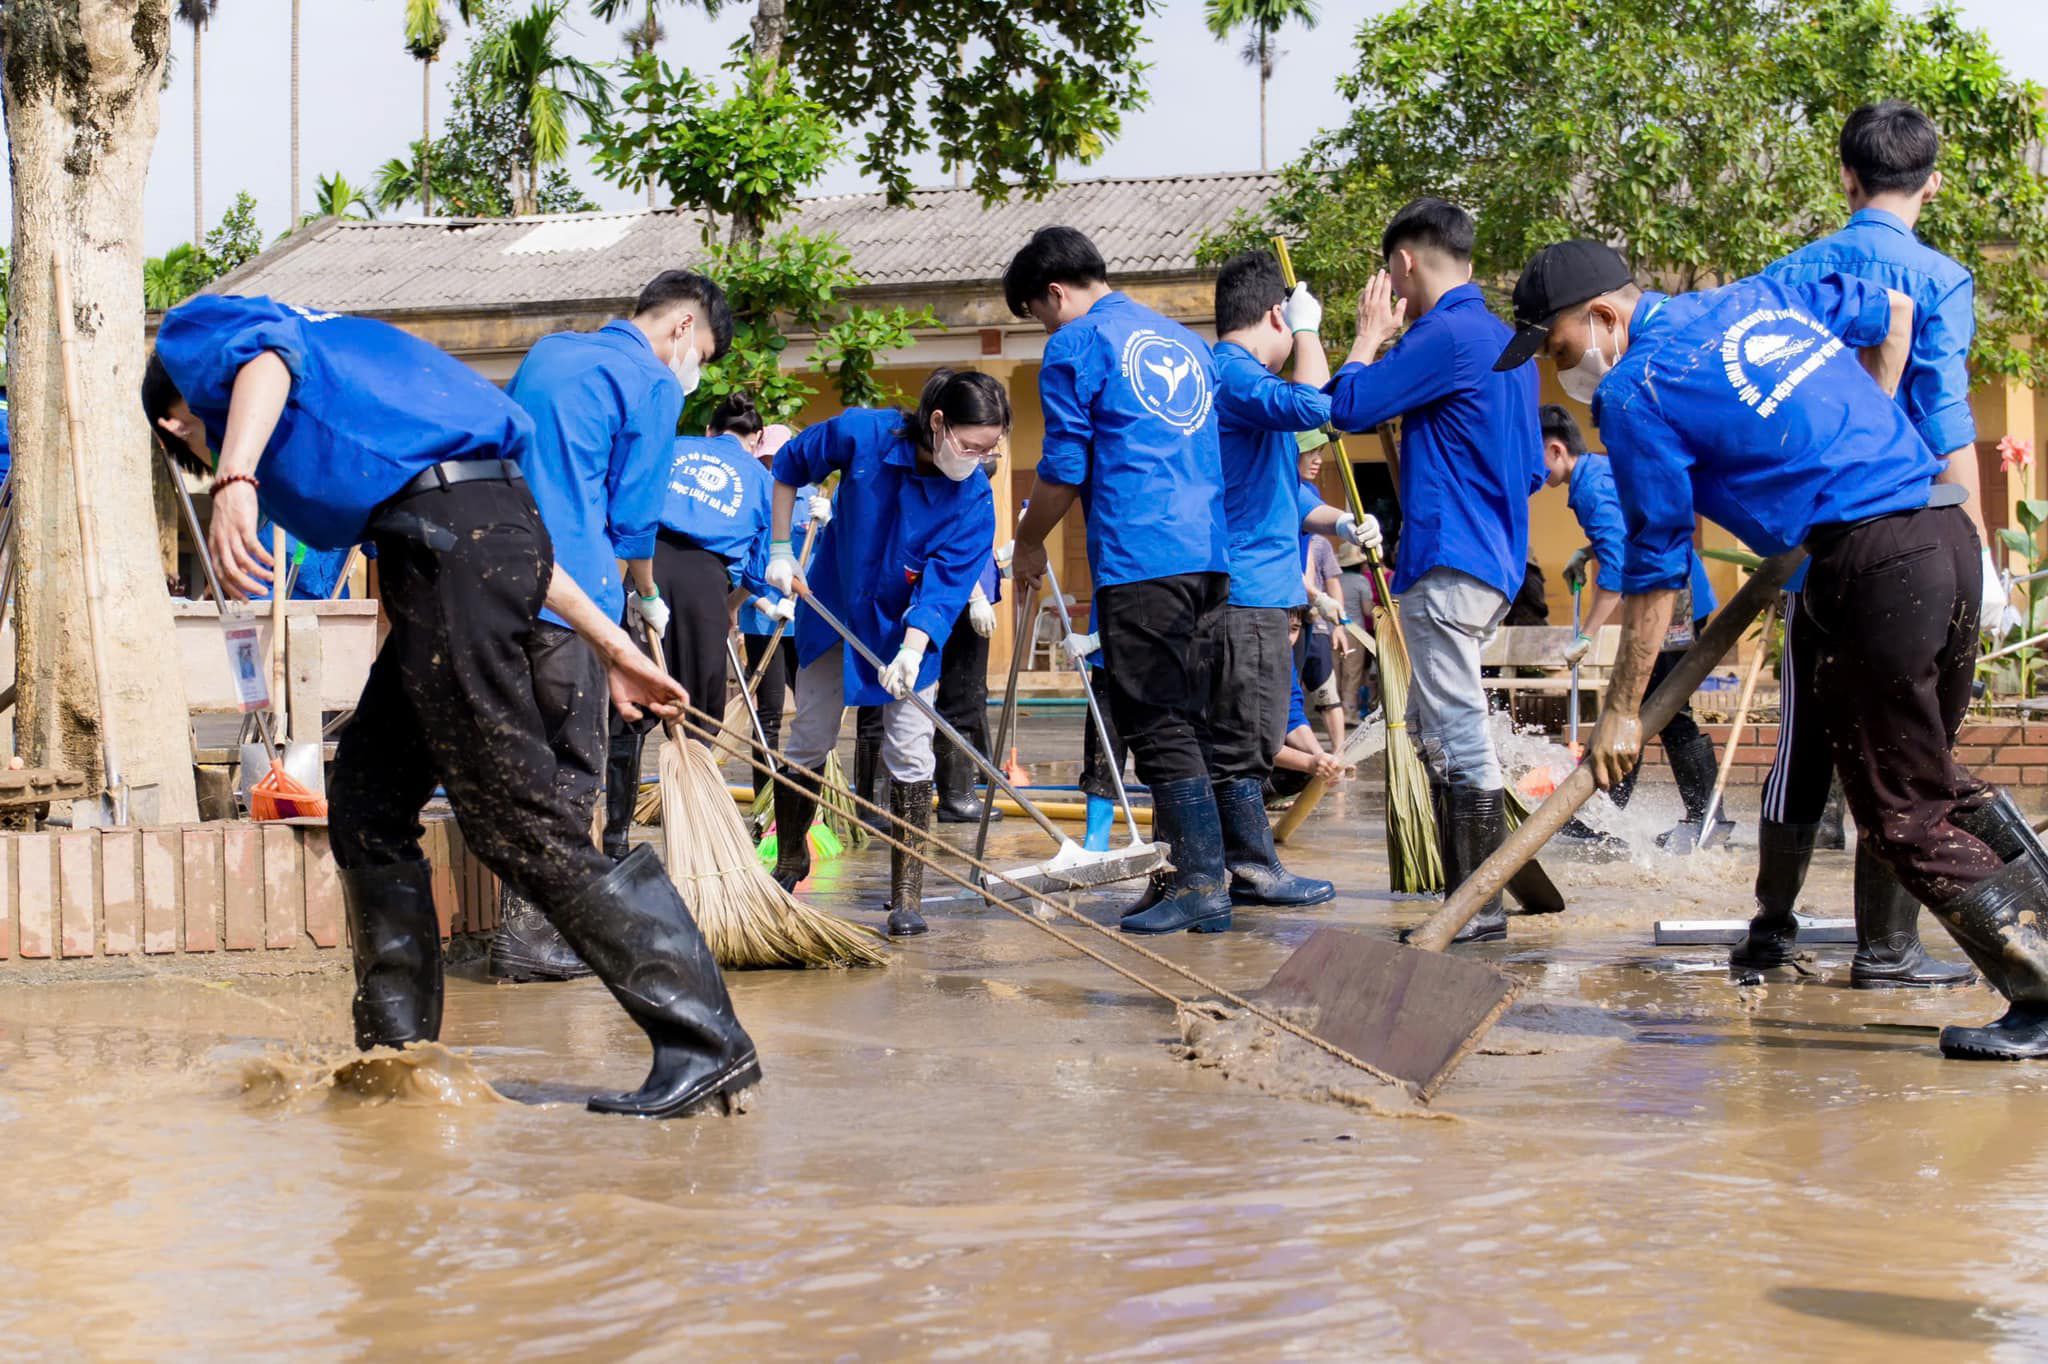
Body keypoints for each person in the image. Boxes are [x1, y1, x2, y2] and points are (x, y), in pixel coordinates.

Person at [145, 294, 758, 1118]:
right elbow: (498, 528)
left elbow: (263, 357)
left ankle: (706, 1042)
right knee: (366, 798)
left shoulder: (201, 343)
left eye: (191, 431)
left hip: (452, 548)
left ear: (180, 412)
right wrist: (615, 648)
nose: (203, 439)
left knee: (514, 818)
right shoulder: (370, 385)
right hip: (472, 541)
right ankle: (397, 1061)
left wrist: (237, 477)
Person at [1495, 239, 2041, 1058]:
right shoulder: (1751, 297)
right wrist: (1856, 448)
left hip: (1878, 563)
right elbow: (1894, 314)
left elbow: (1654, 565)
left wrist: (1620, 714)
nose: (1556, 367)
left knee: (1901, 813)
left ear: (1604, 316)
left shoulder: (1638, 391)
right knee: (1931, 778)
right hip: (1943, 531)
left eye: (1558, 346)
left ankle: (2041, 992)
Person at [1731, 101, 1988, 988]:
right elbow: (1950, 427)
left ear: (1845, 176)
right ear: (1934, 183)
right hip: (1925, 535)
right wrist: (1979, 548)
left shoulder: (1793, 274)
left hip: (1829, 538)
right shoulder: (1944, 278)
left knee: (1802, 735)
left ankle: (1771, 931)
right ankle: (1889, 949)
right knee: (1918, 745)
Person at [1325, 198, 1551, 945]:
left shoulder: (1443, 333)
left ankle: (1474, 908)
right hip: (1493, 561)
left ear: (1405, 264)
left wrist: (1366, 338)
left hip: (1448, 561)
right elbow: (1527, 472)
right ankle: (1473, 891)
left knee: (1455, 731)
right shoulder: (1504, 342)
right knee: (1432, 724)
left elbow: (1346, 406)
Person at [496, 270, 730, 981]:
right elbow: (633, 524)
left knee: (517, 757)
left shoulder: (549, 352)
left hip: (497, 576)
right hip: (577, 595)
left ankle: (519, 927)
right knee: (574, 765)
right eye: (705, 355)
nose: (694, 371)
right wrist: (644, 600)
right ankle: (536, 935)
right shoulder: (652, 383)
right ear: (684, 328)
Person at [1002, 225, 1235, 937]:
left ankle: (1201, 883)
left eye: (1039, 314)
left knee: (1153, 718)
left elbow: (1065, 468)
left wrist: (1027, 540)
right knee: (1183, 714)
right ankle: (1179, 874)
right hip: (1206, 553)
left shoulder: (1076, 343)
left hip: (1143, 553)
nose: (1045, 327)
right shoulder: (1188, 342)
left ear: (1054, 291)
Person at [765, 370, 1006, 936]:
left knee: (910, 750)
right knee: (811, 736)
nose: (977, 458)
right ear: (939, 424)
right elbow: (787, 467)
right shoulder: (864, 434)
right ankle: (790, 859)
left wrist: (914, 650)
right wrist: (780, 547)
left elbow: (946, 583)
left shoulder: (973, 497)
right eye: (971, 445)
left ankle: (906, 896)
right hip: (834, 611)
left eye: (990, 449)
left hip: (907, 632)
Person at [1209, 248, 1380, 907]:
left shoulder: (1253, 394)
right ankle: (1252, 868)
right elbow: (1314, 404)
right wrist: (1313, 331)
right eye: (1295, 324)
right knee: (1247, 742)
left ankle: (1234, 866)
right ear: (1277, 315)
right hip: (1245, 591)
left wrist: (1341, 524)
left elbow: (1290, 496)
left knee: (1248, 737)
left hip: (1267, 589)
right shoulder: (1233, 374)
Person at [596, 393, 782, 858]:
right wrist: (729, 605)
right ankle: (696, 835)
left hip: (646, 568)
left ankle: (616, 836)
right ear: (757, 439)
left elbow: (627, 505)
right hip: (706, 583)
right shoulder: (762, 477)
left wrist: (641, 587)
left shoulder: (673, 447)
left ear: (709, 432)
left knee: (629, 705)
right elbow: (759, 570)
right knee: (699, 715)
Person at [1542, 403, 1730, 847]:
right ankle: (1612, 809)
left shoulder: (1590, 487)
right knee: (1640, 709)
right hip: (1677, 591)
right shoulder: (1598, 472)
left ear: (1554, 450)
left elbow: (1615, 567)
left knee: (1663, 710)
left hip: (1673, 603)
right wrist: (1586, 552)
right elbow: (1628, 532)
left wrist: (1586, 635)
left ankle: (1706, 818)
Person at [738, 456, 816, 801]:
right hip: (763, 623)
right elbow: (739, 561)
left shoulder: (812, 499)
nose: (772, 466)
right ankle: (766, 801)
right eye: (766, 459)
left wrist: (829, 522)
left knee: (814, 711)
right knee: (767, 713)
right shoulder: (752, 495)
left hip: (805, 621)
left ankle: (813, 801)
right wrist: (764, 602)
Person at [933, 549, 1004, 822]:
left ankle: (958, 793)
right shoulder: (962, 503)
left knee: (970, 693)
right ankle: (956, 796)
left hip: (968, 590)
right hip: (958, 595)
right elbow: (951, 540)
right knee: (962, 693)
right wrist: (975, 594)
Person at [1269, 610, 1343, 804]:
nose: (1287, 639)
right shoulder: (1240, 662)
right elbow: (1249, 743)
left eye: (1294, 629)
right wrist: (1308, 762)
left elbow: (1292, 715)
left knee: (1308, 770)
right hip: (1220, 763)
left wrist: (1320, 757)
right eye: (1279, 628)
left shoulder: (1285, 659)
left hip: (1258, 751)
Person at [1335, 541, 1376, 719]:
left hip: (1333, 631)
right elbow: (1367, 610)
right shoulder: (1361, 581)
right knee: (1352, 675)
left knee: (1336, 673)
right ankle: (1349, 712)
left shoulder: (1334, 579)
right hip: (1354, 631)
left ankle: (1334, 712)